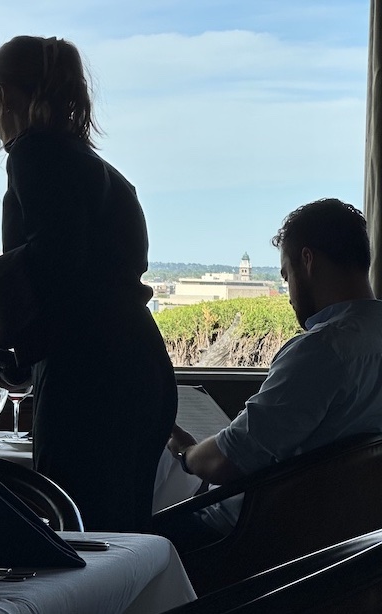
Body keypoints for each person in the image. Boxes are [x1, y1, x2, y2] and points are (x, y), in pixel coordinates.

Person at [0, 36, 177, 531]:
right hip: (137, 366)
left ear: (3, 96)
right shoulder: (97, 169)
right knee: (119, 532)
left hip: (90, 379)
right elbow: (84, 284)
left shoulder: (34, 154)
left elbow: (55, 258)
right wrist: (26, 367)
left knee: (76, 532)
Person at [160, 198, 382, 551]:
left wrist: (187, 452)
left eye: (286, 275)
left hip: (254, 537)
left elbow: (226, 462)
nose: (290, 296)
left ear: (307, 261)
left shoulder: (322, 351)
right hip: (348, 538)